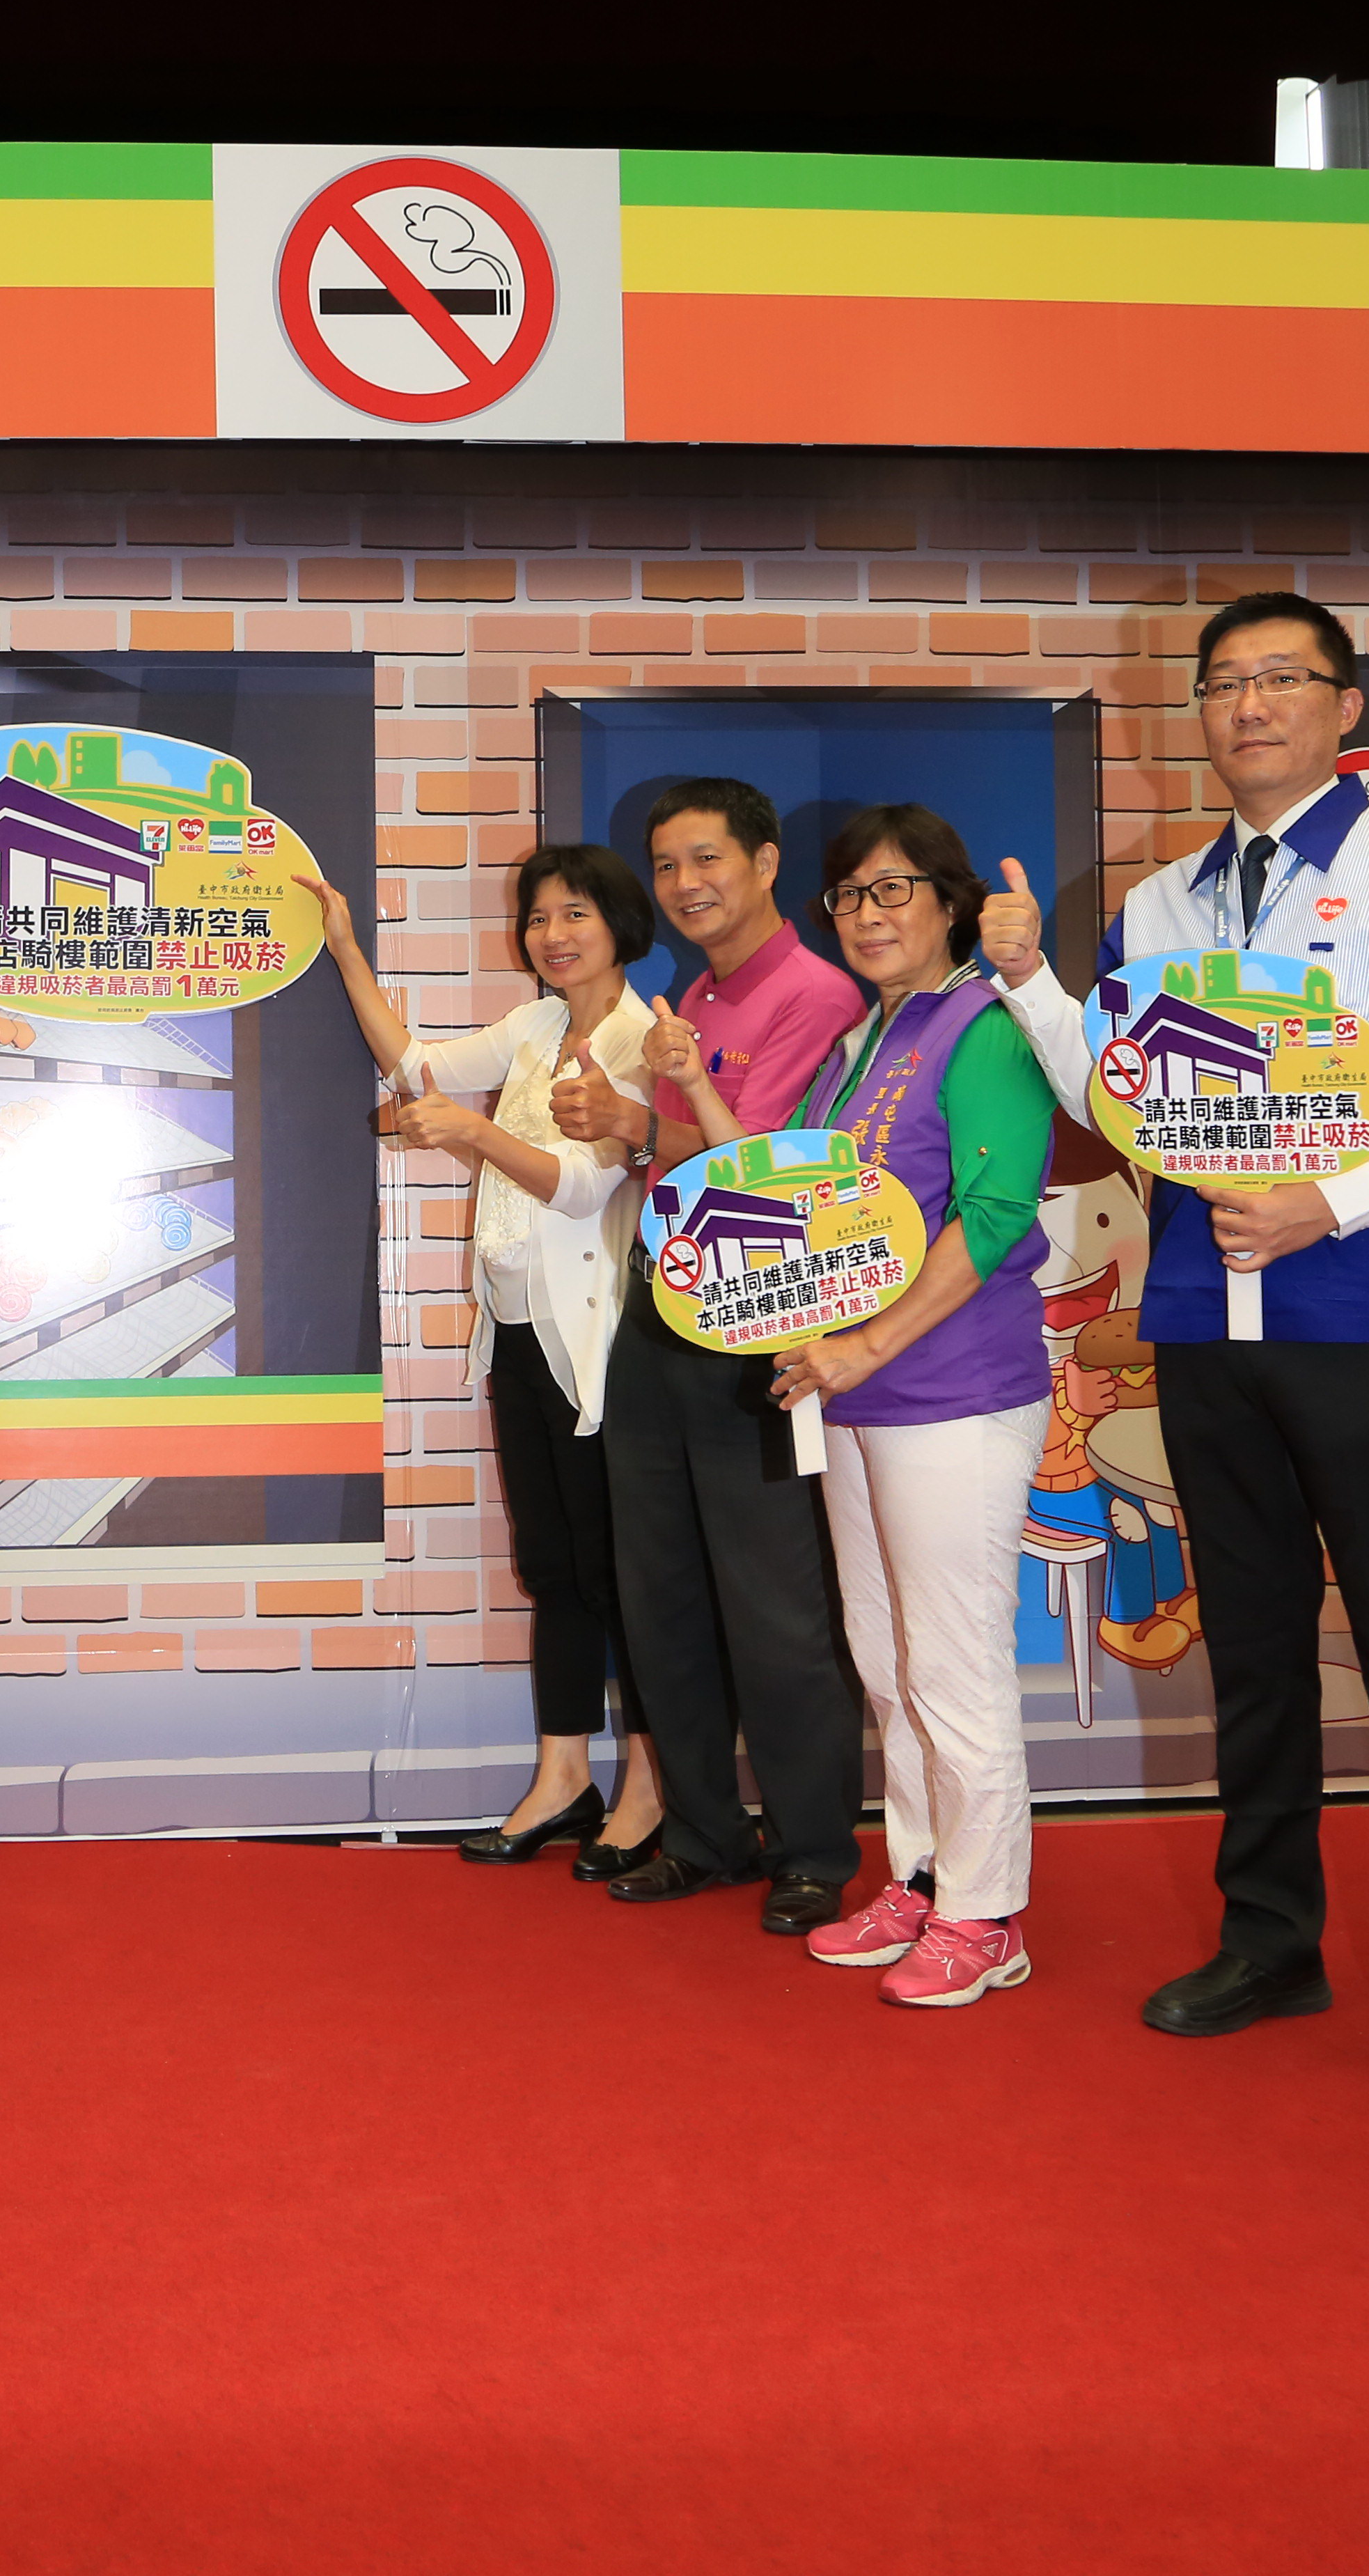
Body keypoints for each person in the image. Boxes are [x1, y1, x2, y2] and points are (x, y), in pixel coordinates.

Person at [980, 591, 1369, 2105]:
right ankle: (1271, 1940)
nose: (1250, 705)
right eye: (1224, 684)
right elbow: (1115, 1101)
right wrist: (1032, 984)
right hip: (1203, 1322)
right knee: (1258, 1650)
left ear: (1346, 706)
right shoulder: (1161, 905)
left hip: (1363, 1311)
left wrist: (1324, 1205)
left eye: (1282, 678)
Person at [660, 809, 1057, 2008]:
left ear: (951, 903)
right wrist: (815, 1345)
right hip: (856, 1394)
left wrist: (867, 1344)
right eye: (850, 897)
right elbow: (794, 1205)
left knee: (954, 1662)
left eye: (895, 891)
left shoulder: (986, 1026)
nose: (870, 916)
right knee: (887, 1661)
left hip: (955, 1392)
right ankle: (924, 1876)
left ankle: (988, 1913)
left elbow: (994, 1215)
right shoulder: (860, 1041)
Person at [302, 846, 669, 1871]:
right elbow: (415, 1066)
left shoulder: (642, 1039)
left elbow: (586, 1185)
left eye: (575, 914)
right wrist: (344, 947)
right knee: (552, 1566)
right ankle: (564, 1776)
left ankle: (651, 1786)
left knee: (617, 1570)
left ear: (620, 923)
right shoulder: (537, 1026)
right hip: (514, 1329)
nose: (552, 935)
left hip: (595, 1342)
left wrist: (473, 1131)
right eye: (538, 918)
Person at [545, 779, 870, 1932]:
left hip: (758, 1325)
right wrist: (630, 1133)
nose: (685, 884)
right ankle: (702, 1833)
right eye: (668, 865)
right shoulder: (694, 994)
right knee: (661, 1591)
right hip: (661, 1310)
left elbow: (763, 1169)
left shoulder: (818, 994)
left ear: (766, 863)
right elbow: (671, 1163)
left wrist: (637, 1124)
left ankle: (815, 1847)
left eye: (707, 858)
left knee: (775, 1601)